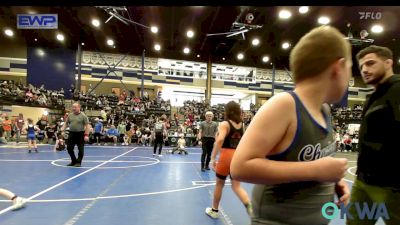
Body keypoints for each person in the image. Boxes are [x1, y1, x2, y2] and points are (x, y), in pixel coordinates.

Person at [230, 26, 350, 225]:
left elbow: (317, 160)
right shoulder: (285, 105)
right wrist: (315, 171)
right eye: (350, 68)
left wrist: (335, 181)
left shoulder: (325, 110)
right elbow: (240, 167)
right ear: (338, 67)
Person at [347, 45, 400, 224]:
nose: (365, 70)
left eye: (370, 63)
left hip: (393, 188)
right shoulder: (372, 97)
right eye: (361, 66)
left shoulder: (398, 90)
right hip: (363, 183)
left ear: (388, 63)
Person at [205, 101, 252, 219]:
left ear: (227, 111)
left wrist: (212, 158)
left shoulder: (225, 124)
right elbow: (244, 141)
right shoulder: (242, 124)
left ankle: (214, 210)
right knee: (236, 186)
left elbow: (220, 140)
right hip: (237, 156)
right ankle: (250, 207)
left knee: (219, 185)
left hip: (226, 156)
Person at [61, 102, 90, 167]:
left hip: (80, 134)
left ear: (79, 108)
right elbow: (66, 123)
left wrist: (86, 135)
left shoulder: (83, 116)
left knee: (80, 149)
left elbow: (88, 126)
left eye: (75, 107)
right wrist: (62, 129)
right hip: (71, 133)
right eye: (73, 107)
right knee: (69, 148)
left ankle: (78, 162)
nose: (73, 108)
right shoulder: (70, 115)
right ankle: (73, 161)